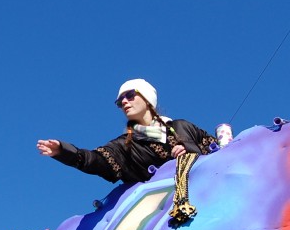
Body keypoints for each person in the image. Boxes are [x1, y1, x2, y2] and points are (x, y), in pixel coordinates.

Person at [37, 79, 217, 184]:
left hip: (208, 194)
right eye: (120, 100)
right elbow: (94, 160)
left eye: (130, 95)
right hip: (167, 220)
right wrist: (64, 151)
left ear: (147, 99)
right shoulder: (125, 146)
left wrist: (191, 152)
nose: (124, 102)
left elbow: (220, 154)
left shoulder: (182, 127)